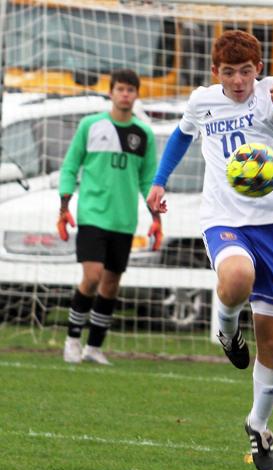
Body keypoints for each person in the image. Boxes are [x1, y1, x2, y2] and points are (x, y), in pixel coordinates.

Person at [147, 30, 273, 470]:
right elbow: (180, 136)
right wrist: (160, 181)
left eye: (246, 71)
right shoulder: (203, 101)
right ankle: (225, 330)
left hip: (272, 225)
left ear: (258, 69)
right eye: (230, 72)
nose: (238, 81)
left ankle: (258, 425)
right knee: (235, 279)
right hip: (223, 220)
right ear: (216, 73)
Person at [58, 68, 162, 366]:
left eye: (131, 90)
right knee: (91, 277)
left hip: (124, 219)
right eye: (120, 89)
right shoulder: (90, 125)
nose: (125, 94)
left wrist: (156, 217)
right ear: (111, 92)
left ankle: (94, 347)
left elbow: (147, 181)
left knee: (111, 283)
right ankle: (72, 339)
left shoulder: (143, 134)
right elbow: (69, 167)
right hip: (91, 215)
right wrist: (64, 206)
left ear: (137, 94)